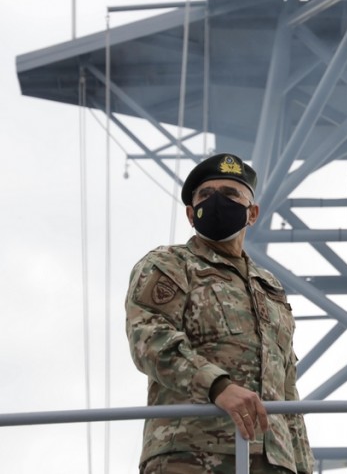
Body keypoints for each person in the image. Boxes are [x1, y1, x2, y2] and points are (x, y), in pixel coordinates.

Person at [125, 153, 314, 474]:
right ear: (191, 213)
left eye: (230, 194)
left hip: (274, 462)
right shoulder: (170, 264)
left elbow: (287, 387)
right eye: (205, 195)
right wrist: (217, 386)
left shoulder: (269, 287)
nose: (216, 202)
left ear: (252, 213)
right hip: (189, 454)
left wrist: (303, 465)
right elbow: (149, 340)